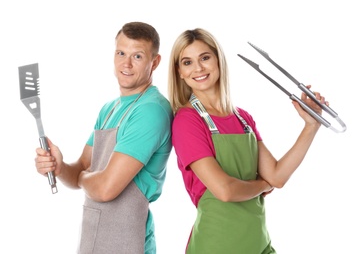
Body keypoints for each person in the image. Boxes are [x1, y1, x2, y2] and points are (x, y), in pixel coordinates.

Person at [168, 28, 328, 253]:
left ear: (218, 60)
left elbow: (277, 176)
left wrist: (311, 126)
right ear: (180, 72)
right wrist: (263, 185)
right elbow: (225, 190)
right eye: (187, 62)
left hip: (259, 243)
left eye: (205, 58)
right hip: (217, 245)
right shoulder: (187, 121)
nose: (198, 68)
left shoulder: (243, 118)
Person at [35, 21, 173, 254]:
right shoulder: (109, 109)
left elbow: (106, 189)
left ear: (155, 62)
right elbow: (81, 167)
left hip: (128, 241)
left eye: (137, 56)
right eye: (121, 53)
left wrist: (81, 178)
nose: (126, 64)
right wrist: (60, 167)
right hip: (94, 239)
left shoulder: (151, 110)